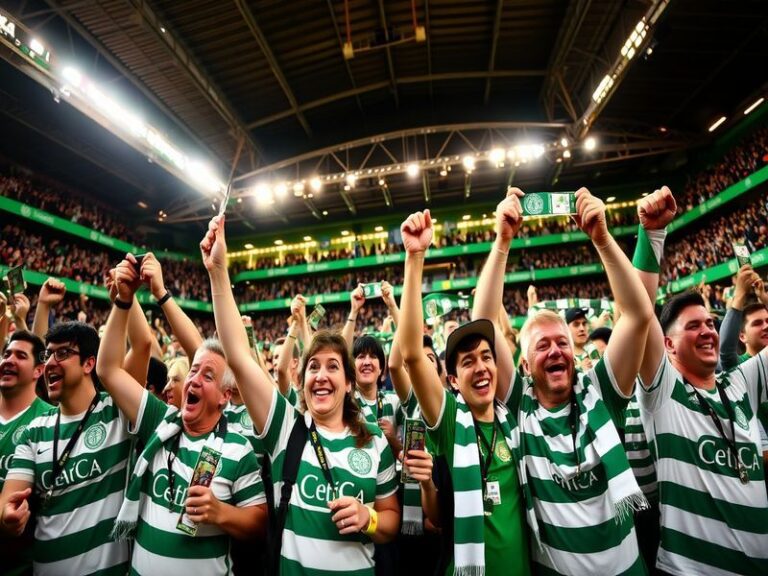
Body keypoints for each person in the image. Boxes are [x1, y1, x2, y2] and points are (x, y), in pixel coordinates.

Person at [201, 215, 400, 575]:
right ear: (302, 378)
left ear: (350, 383)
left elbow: (391, 522)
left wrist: (368, 517)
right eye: (313, 367)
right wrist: (218, 272)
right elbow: (239, 358)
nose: (321, 376)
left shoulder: (373, 442)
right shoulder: (286, 428)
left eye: (333, 367)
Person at [472, 186, 655, 575]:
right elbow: (483, 321)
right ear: (523, 363)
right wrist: (502, 241)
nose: (555, 351)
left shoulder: (600, 392)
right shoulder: (521, 404)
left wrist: (602, 239)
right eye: (542, 346)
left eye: (562, 343)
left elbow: (639, 315)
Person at [96, 254, 268, 576]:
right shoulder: (160, 421)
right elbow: (106, 370)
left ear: (224, 396)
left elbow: (259, 523)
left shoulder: (238, 447)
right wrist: (124, 301)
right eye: (193, 370)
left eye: (207, 376)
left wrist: (220, 513)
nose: (193, 379)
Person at [631, 186, 768, 575]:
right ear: (668, 344)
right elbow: (638, 317)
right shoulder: (664, 395)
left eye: (711, 322)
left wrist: (755, 297)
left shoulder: (741, 383)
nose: (709, 331)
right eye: (695, 326)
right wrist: (652, 234)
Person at [398, 208, 532, 576]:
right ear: (453, 379)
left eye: (487, 357)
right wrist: (415, 259)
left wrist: (503, 240)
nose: (481, 367)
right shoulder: (451, 422)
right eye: (467, 361)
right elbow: (410, 353)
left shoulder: (516, 419)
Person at [0, 321, 132, 574]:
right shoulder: (35, 430)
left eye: (62, 353)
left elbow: (141, 346)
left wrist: (125, 300)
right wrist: (7, 516)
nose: (50, 363)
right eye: (48, 354)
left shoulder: (116, 412)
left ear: (88, 363)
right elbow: (8, 498)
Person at [0, 330, 53, 576]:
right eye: (6, 354)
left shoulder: (50, 420)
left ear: (38, 371)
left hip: (20, 565)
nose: (9, 360)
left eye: (20, 356)